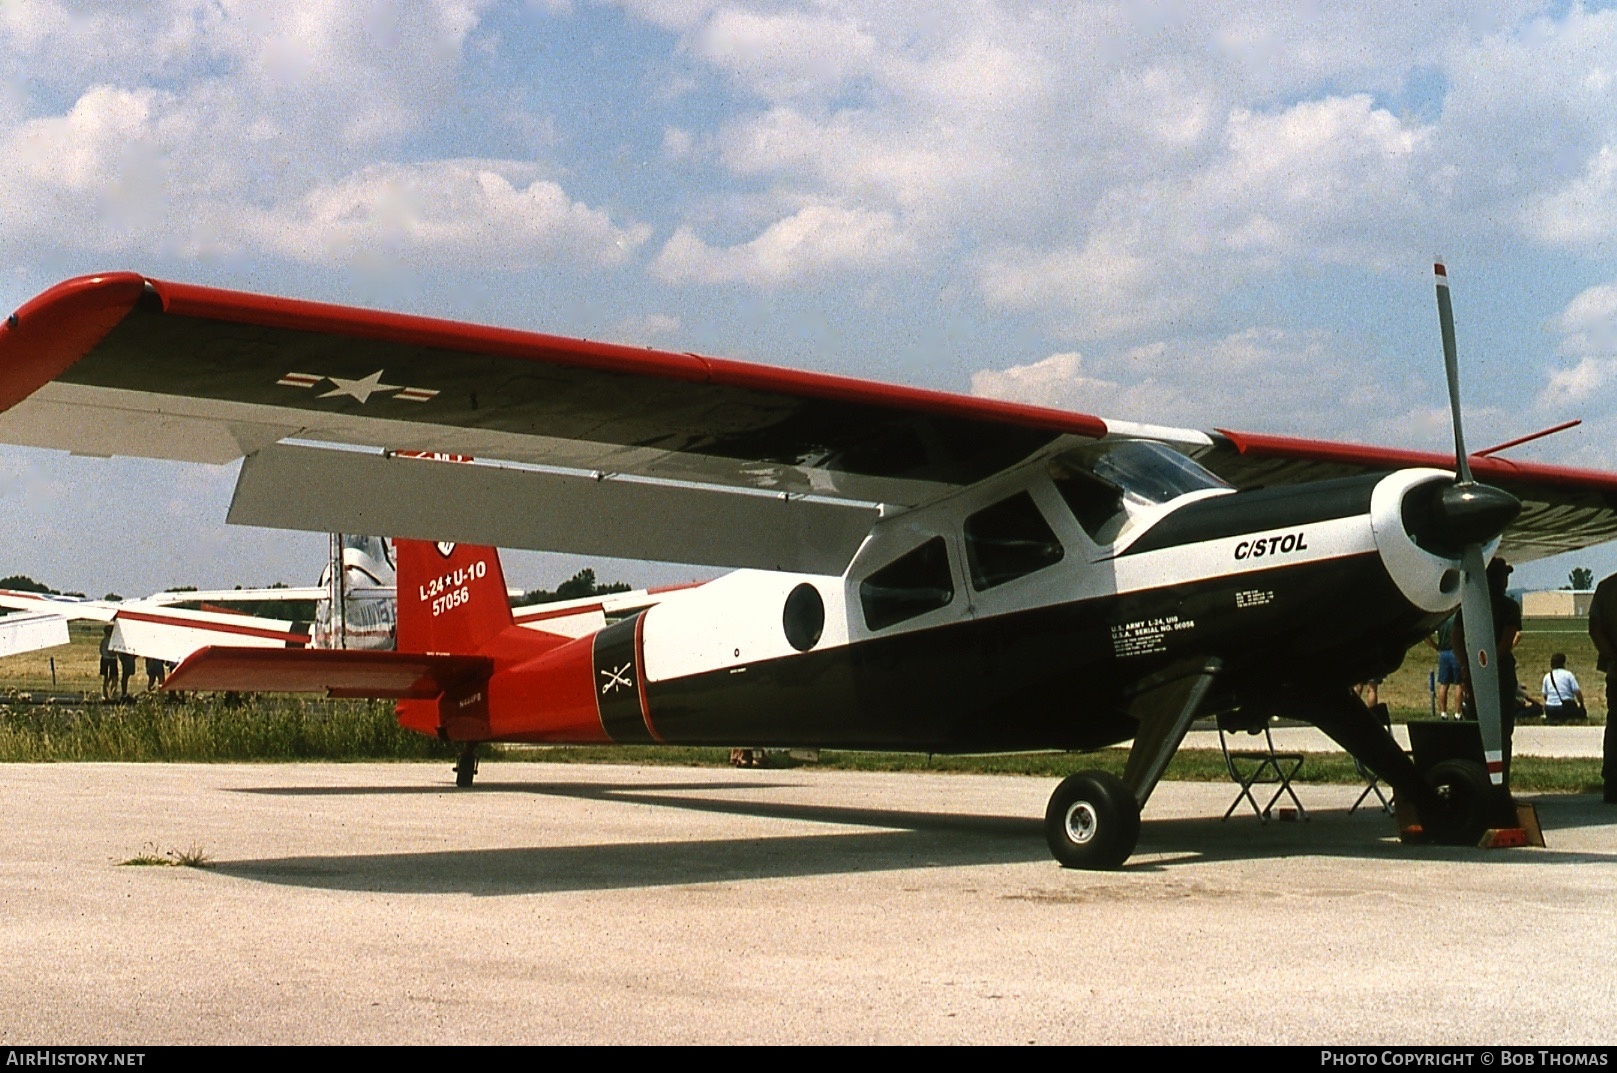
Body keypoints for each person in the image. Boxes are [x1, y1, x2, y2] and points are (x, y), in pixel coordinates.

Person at [1588, 572, 1617, 803]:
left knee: (1615, 725)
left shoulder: (1606, 587)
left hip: (1615, 670)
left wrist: (1612, 656)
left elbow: (1595, 629)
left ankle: (1613, 782)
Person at [1425, 613, 1464, 720]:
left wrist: (1435, 646)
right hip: (1457, 652)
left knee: (1443, 684)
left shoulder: (1443, 619)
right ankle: (1457, 713)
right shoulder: (1458, 618)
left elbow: (1426, 636)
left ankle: (1443, 713)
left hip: (1443, 652)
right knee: (1459, 684)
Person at [1541, 653, 1585, 724]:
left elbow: (1545, 695)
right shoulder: (1568, 675)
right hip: (1564, 708)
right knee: (1581, 712)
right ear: (1563, 663)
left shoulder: (1547, 676)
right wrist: (1582, 704)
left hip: (1549, 709)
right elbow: (1577, 692)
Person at [98, 626, 118, 702]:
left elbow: (100, 650)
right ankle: (111, 695)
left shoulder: (104, 640)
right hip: (110, 660)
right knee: (113, 677)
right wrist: (117, 652)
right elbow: (111, 652)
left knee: (106, 678)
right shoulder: (109, 640)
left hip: (105, 659)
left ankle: (106, 694)